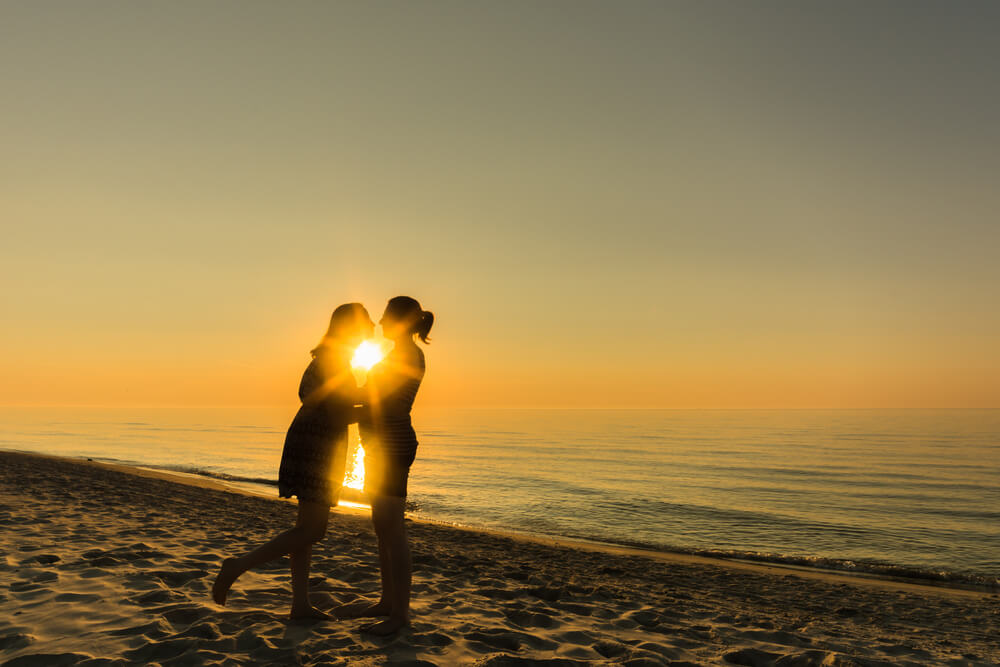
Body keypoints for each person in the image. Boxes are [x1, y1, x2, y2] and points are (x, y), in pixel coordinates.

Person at [211, 303, 374, 619]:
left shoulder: (329, 358)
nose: (371, 325)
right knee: (313, 530)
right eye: (366, 321)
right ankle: (238, 566)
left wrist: (365, 398)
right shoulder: (335, 361)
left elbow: (327, 401)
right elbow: (337, 412)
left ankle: (300, 605)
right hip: (318, 447)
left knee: (305, 528)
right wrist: (377, 410)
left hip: (311, 442)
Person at [336, 296, 433, 635]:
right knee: (382, 527)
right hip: (379, 446)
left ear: (400, 321)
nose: (379, 322)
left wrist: (341, 411)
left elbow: (387, 405)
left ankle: (400, 614)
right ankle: (388, 601)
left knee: (393, 529)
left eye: (385, 316)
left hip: (392, 446)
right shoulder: (396, 354)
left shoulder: (407, 356)